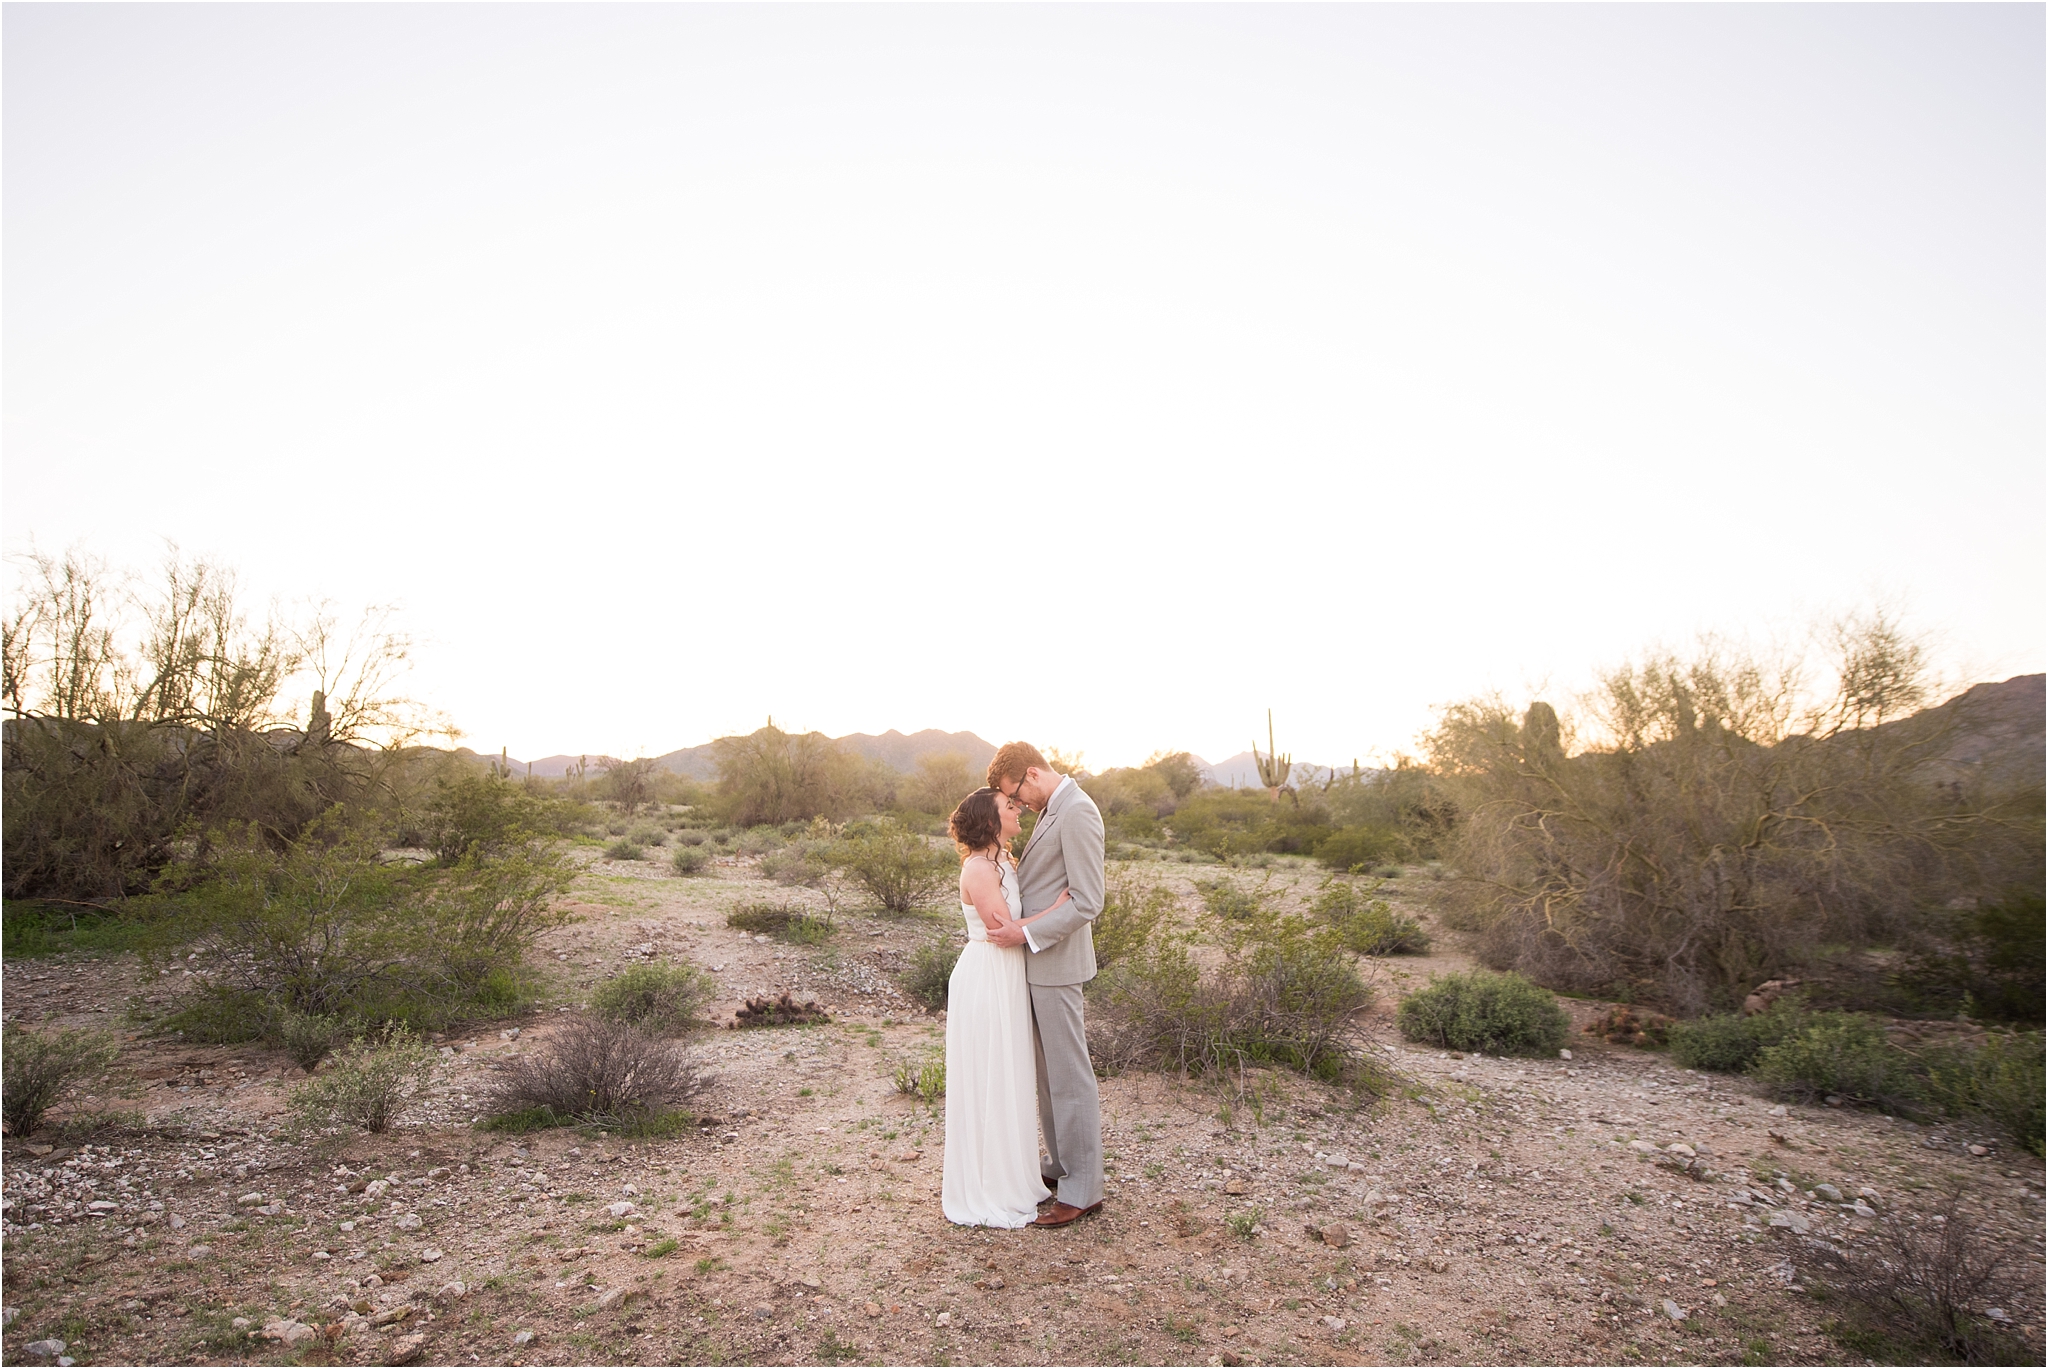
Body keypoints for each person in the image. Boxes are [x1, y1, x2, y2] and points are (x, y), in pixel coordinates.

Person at [986, 741, 1107, 1228]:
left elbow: (1087, 900)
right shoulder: (1053, 809)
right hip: (1037, 964)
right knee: (1047, 1075)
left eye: (1014, 793)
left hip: (1056, 963)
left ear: (1031, 774)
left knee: (1069, 1076)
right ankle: (1061, 1165)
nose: (1016, 804)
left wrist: (1026, 931)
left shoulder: (1077, 811)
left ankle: (1083, 1190)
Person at [938, 786, 1071, 1227]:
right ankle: (987, 1185)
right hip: (987, 974)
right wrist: (1056, 910)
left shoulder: (1003, 861)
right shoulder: (978, 868)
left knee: (1012, 1072)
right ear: (989, 821)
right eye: (1008, 807)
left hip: (1009, 975)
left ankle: (1012, 1172)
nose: (1017, 810)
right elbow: (1003, 930)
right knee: (989, 1074)